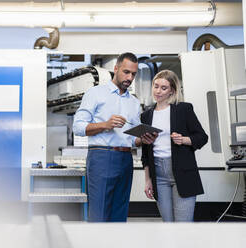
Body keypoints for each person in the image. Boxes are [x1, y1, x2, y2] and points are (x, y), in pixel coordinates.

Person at [73, 52, 153, 222]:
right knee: (99, 213)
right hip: (101, 156)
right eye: (126, 72)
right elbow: (78, 127)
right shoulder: (95, 93)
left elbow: (132, 139)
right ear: (116, 68)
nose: (129, 77)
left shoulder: (133, 102)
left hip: (125, 158)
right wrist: (105, 124)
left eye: (133, 74)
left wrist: (142, 139)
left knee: (120, 212)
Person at [141, 69, 208, 222]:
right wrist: (147, 180)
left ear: (172, 90)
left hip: (183, 172)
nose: (158, 91)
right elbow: (145, 152)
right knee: (168, 225)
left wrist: (184, 140)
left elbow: (202, 137)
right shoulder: (146, 115)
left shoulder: (183, 109)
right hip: (158, 174)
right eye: (155, 86)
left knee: (182, 226)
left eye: (163, 88)